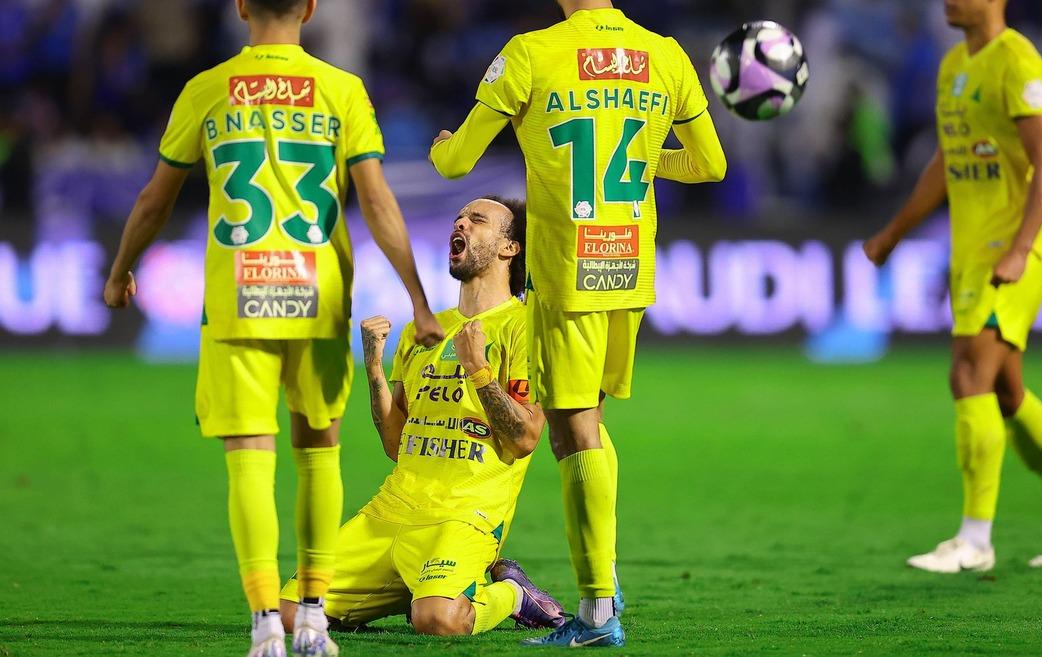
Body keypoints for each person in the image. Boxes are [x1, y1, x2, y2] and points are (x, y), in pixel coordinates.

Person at [102, 0, 443, 655]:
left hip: (240, 299)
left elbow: (154, 198)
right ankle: (313, 615)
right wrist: (419, 300)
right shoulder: (343, 90)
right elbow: (375, 199)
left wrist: (120, 271)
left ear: (239, 7)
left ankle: (266, 625)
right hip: (317, 298)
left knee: (249, 463)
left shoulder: (206, 89)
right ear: (312, 8)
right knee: (319, 451)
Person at [429, 0, 726, 647]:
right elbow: (709, 164)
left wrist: (444, 148)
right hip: (629, 268)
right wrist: (649, 158)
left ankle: (595, 614)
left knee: (573, 429)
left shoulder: (532, 53)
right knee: (583, 419)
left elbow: (455, 166)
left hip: (569, 273)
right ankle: (606, 580)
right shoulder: (666, 54)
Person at [280, 196, 563, 636]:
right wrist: (374, 370)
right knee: (291, 614)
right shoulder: (421, 330)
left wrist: (480, 373)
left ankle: (511, 594)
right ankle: (409, 590)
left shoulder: (526, 327)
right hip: (393, 509)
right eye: (458, 218)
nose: (462, 223)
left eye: (477, 219)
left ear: (510, 248)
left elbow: (525, 438)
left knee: (440, 620)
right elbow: (396, 443)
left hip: (463, 515)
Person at [864, 0, 1042, 573]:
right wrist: (894, 233)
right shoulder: (953, 63)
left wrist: (1017, 249)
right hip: (970, 251)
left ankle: (975, 540)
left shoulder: (1021, 63)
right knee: (1006, 393)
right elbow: (946, 162)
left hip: (1018, 250)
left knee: (967, 373)